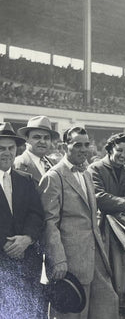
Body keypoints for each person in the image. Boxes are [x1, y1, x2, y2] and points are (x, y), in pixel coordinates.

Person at [38, 126, 119, 319]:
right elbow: (49, 223)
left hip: (94, 259)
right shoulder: (53, 177)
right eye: (77, 145)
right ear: (64, 146)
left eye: (86, 144)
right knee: (71, 314)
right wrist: (58, 260)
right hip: (68, 263)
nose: (83, 149)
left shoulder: (86, 174)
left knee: (107, 306)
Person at [87, 133, 125, 319]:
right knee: (107, 280)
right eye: (119, 150)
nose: (123, 154)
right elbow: (98, 197)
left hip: (124, 236)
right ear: (110, 148)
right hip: (103, 232)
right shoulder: (95, 168)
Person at [0, 122, 46, 318]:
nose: (7, 153)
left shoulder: (25, 179)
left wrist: (27, 238)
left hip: (26, 263)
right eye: (1, 148)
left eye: (11, 148)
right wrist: (10, 245)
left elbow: (37, 214)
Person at [15, 115, 60, 185]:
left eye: (46, 138)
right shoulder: (17, 164)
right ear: (26, 139)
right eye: (37, 137)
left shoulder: (55, 164)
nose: (42, 141)